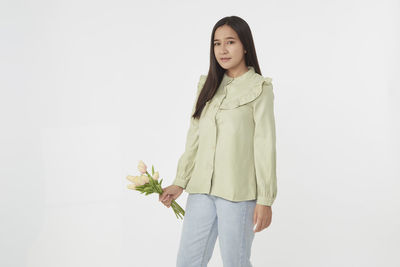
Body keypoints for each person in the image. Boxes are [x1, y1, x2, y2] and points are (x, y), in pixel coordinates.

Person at [159, 15, 277, 267]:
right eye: (216, 43)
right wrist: (180, 181)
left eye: (230, 42)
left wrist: (265, 199)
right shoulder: (208, 85)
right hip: (201, 190)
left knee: (235, 262)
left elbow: (264, 145)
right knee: (187, 261)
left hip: (237, 193)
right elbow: (195, 137)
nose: (222, 50)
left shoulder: (259, 88)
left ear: (245, 45)